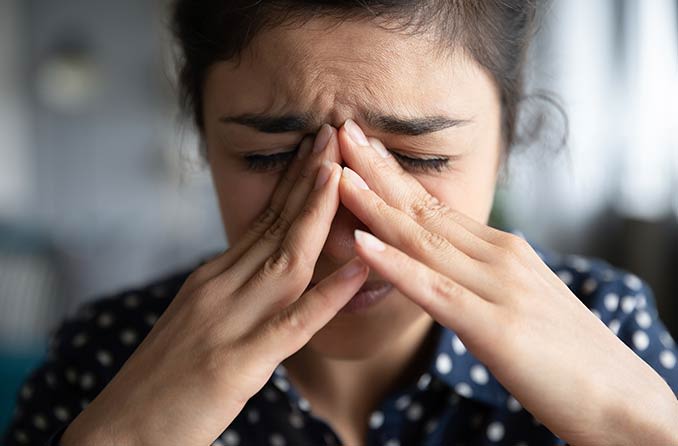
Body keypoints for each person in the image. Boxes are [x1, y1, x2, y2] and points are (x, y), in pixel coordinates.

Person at [3, 1, 678, 445]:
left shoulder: (607, 323)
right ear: (203, 140)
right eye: (269, 157)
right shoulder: (106, 357)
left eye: (420, 157)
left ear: (504, 138)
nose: (347, 231)